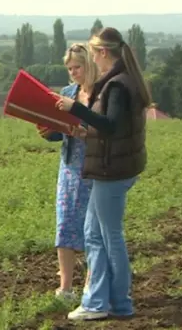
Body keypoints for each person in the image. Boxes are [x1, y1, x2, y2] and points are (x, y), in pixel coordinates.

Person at [53, 27, 152, 320]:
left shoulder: (117, 85)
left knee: (103, 236)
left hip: (111, 171)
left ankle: (100, 303)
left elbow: (109, 126)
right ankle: (114, 303)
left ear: (103, 53)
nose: (92, 59)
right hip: (116, 168)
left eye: (93, 53)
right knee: (99, 235)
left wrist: (76, 110)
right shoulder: (121, 81)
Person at [37, 43, 97, 302]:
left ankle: (90, 286)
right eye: (70, 68)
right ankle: (65, 288)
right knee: (65, 225)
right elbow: (61, 131)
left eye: (78, 67)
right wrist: (48, 131)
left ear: (89, 65)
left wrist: (86, 132)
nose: (74, 72)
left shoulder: (101, 96)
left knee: (92, 229)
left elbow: (108, 131)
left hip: (94, 169)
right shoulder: (67, 93)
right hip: (69, 168)